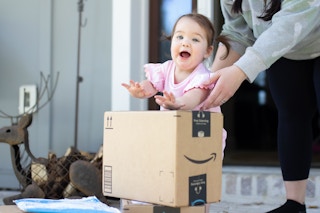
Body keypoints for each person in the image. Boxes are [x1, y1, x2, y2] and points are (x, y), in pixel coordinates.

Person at [201, 0, 320, 212]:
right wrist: (206, 81)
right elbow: (237, 32)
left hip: (303, 29)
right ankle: (294, 205)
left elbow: (291, 23)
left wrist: (240, 71)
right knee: (291, 115)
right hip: (286, 49)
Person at [122, 13, 227, 153]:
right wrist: (141, 90)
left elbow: (193, 98)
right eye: (179, 37)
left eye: (195, 39)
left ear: (207, 51)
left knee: (196, 172)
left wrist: (177, 103)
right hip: (175, 133)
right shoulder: (166, 68)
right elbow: (152, 85)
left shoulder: (203, 77)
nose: (185, 43)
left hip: (203, 138)